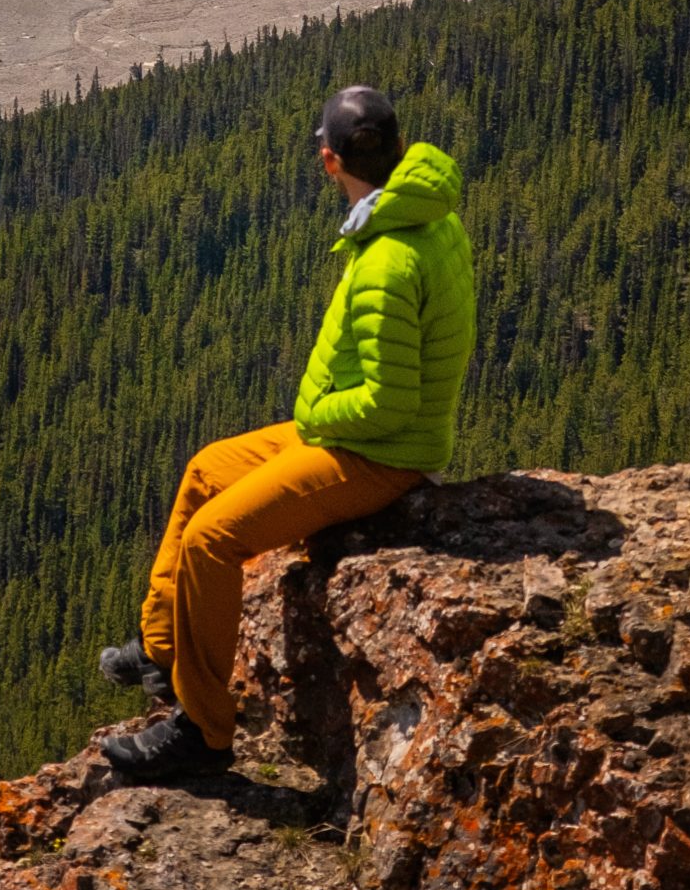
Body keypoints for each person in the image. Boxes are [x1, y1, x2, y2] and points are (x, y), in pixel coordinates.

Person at [97, 84, 476, 783]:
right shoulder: (422, 213)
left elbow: (388, 405)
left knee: (213, 540)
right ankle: (161, 646)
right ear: (398, 147)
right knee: (208, 468)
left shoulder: (390, 259)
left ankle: (202, 733)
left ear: (330, 162)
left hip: (381, 454)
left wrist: (313, 421)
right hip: (366, 436)